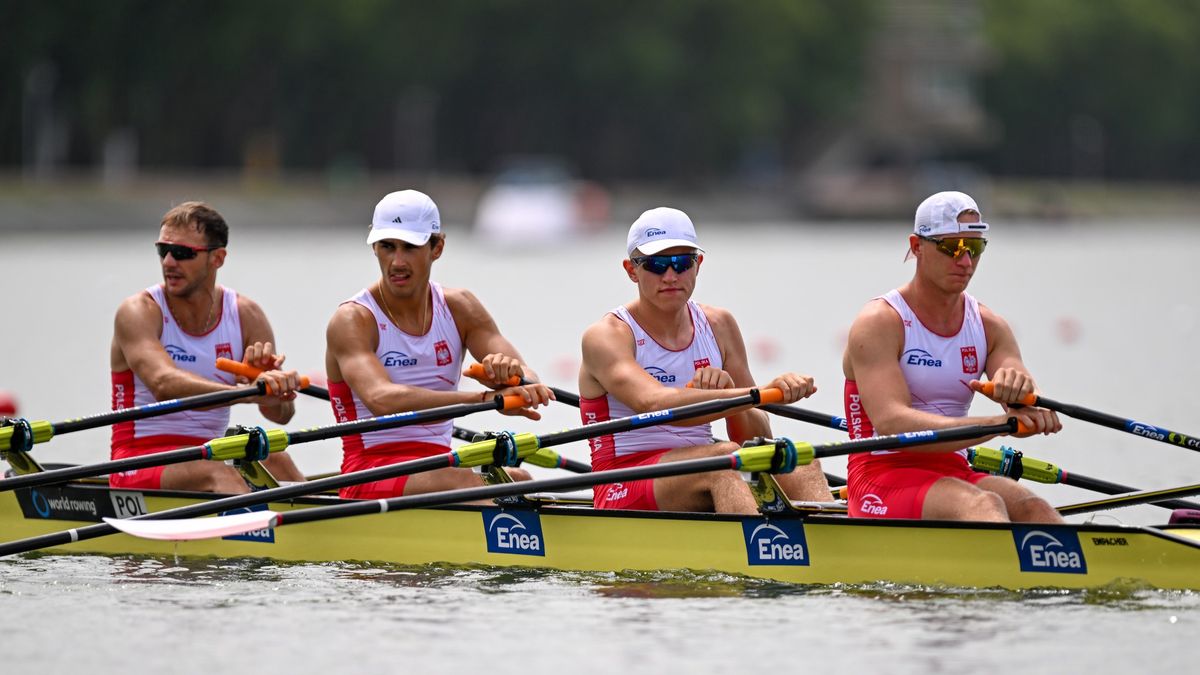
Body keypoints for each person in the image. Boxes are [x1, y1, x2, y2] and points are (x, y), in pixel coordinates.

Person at [578, 207, 832, 515]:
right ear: (632, 270)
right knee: (725, 461)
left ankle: (835, 555)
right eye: (656, 265)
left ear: (698, 265)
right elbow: (654, 404)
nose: (670, 276)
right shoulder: (608, 335)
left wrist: (731, 400)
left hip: (703, 466)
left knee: (799, 460)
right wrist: (742, 394)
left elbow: (752, 438)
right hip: (622, 481)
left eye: (681, 263)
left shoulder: (719, 325)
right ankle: (760, 554)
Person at [842, 191, 1063, 522]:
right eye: (953, 248)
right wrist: (998, 424)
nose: (966, 262)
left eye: (974, 248)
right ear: (917, 246)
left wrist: (1020, 397)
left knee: (1037, 509)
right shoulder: (880, 322)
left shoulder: (989, 326)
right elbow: (892, 424)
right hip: (882, 476)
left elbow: (1017, 385)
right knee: (985, 506)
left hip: (953, 470)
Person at [325, 189, 553, 499]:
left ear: (437, 247)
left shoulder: (460, 307)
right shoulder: (354, 319)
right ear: (374, 245)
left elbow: (528, 378)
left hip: (437, 465)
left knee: (519, 477)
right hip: (370, 471)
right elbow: (381, 398)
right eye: (387, 247)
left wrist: (511, 376)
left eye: (410, 247)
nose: (397, 262)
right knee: (468, 484)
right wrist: (482, 399)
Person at [110, 201, 305, 492]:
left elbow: (282, 416)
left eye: (183, 253)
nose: (169, 263)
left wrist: (275, 392)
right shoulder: (140, 311)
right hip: (137, 462)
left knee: (276, 458)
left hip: (206, 455)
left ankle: (328, 532)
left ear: (218, 258)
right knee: (219, 473)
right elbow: (163, 382)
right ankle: (260, 530)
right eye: (163, 251)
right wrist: (246, 394)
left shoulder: (247, 315)